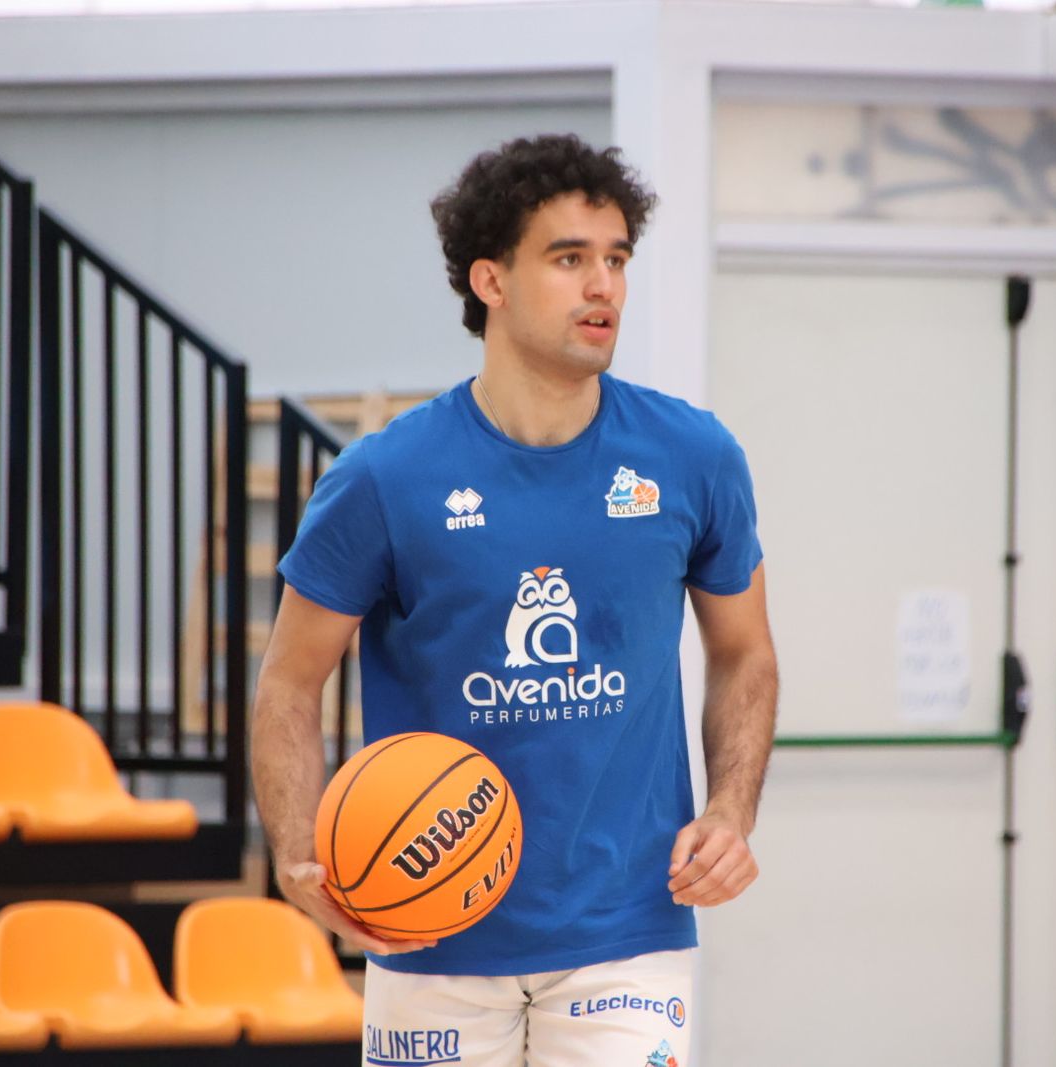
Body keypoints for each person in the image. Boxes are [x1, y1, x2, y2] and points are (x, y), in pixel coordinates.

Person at [252, 133, 779, 1067]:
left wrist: (731, 809)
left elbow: (744, 651)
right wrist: (298, 848)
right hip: (424, 919)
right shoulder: (384, 477)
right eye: (569, 259)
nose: (603, 285)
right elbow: (290, 682)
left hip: (628, 930)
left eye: (617, 259)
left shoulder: (695, 457)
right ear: (489, 280)